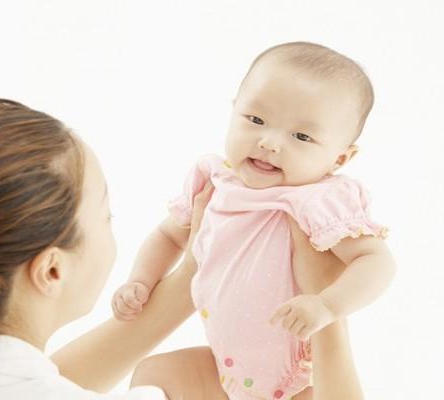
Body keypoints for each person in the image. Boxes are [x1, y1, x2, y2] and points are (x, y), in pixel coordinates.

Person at [0, 98, 363, 400]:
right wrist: (327, 308)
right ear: (51, 270)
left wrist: (196, 269)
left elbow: (37, 382)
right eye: (106, 216)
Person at [111, 42, 397, 399]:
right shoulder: (213, 180)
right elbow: (168, 237)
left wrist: (328, 305)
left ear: (339, 158)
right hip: (228, 366)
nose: (269, 142)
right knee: (154, 373)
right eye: (256, 119)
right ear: (234, 111)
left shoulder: (318, 200)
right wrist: (140, 280)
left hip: (297, 378)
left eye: (302, 136)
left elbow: (376, 261)